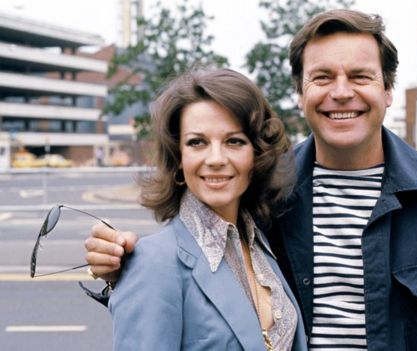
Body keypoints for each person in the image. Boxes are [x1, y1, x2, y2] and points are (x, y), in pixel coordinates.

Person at [85, 9, 417, 349]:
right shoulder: (266, 192)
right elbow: (200, 266)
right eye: (323, 77)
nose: (341, 92)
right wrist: (125, 263)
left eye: (360, 76)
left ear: (388, 90)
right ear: (301, 92)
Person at [102, 68, 307, 350]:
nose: (215, 159)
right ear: (179, 159)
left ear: (256, 155)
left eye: (234, 141)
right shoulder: (154, 262)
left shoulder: (262, 245)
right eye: (197, 142)